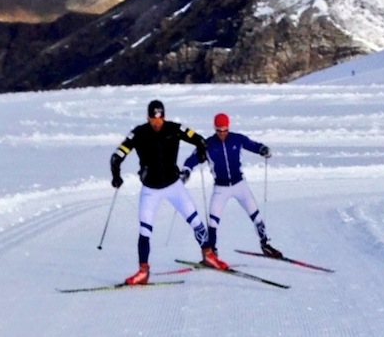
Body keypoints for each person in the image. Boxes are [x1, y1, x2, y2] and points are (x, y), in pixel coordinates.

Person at [110, 99, 229, 285]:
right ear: (148, 118)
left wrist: (202, 151)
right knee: (144, 231)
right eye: (153, 119)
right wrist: (116, 175)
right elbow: (117, 156)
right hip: (151, 189)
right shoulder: (139, 133)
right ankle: (143, 271)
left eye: (160, 118)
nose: (157, 123)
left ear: (164, 116)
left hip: (174, 186)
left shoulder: (174, 128)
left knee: (196, 220)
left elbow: (199, 140)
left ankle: (208, 255)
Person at [181, 112, 283, 258]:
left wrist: (262, 149)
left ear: (228, 128)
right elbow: (191, 160)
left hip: (239, 184)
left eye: (225, 130)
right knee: (213, 222)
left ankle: (265, 244)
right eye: (219, 131)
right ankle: (212, 253)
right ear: (215, 129)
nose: (222, 134)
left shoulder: (237, 139)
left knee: (256, 215)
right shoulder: (208, 144)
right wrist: (186, 171)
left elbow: (253, 145)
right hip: (221, 188)